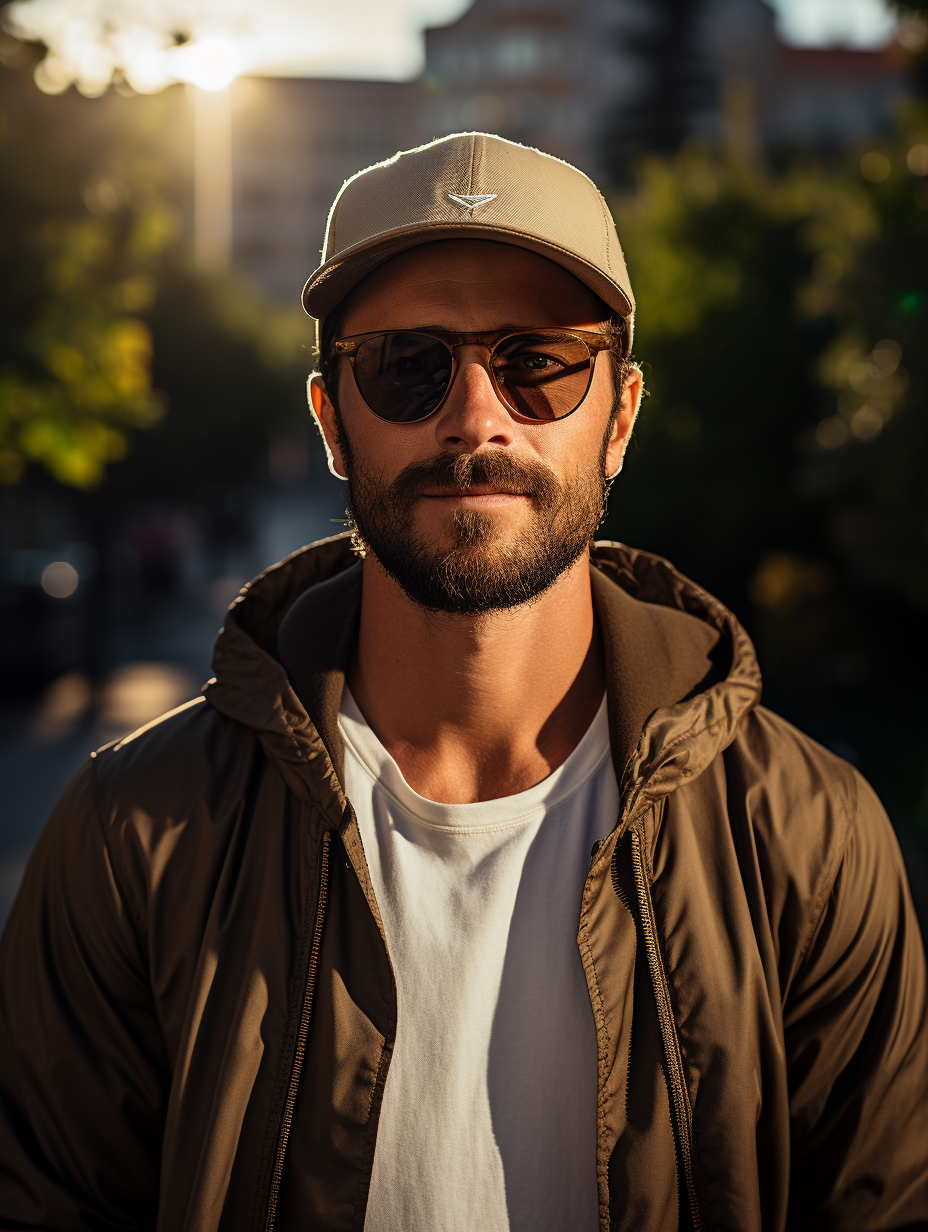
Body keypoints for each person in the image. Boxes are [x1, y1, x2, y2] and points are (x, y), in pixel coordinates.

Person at [0, 132, 925, 1232]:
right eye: (407, 363)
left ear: (619, 417)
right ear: (332, 420)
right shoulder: (133, 834)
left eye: (538, 361)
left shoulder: (811, 839)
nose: (474, 417)